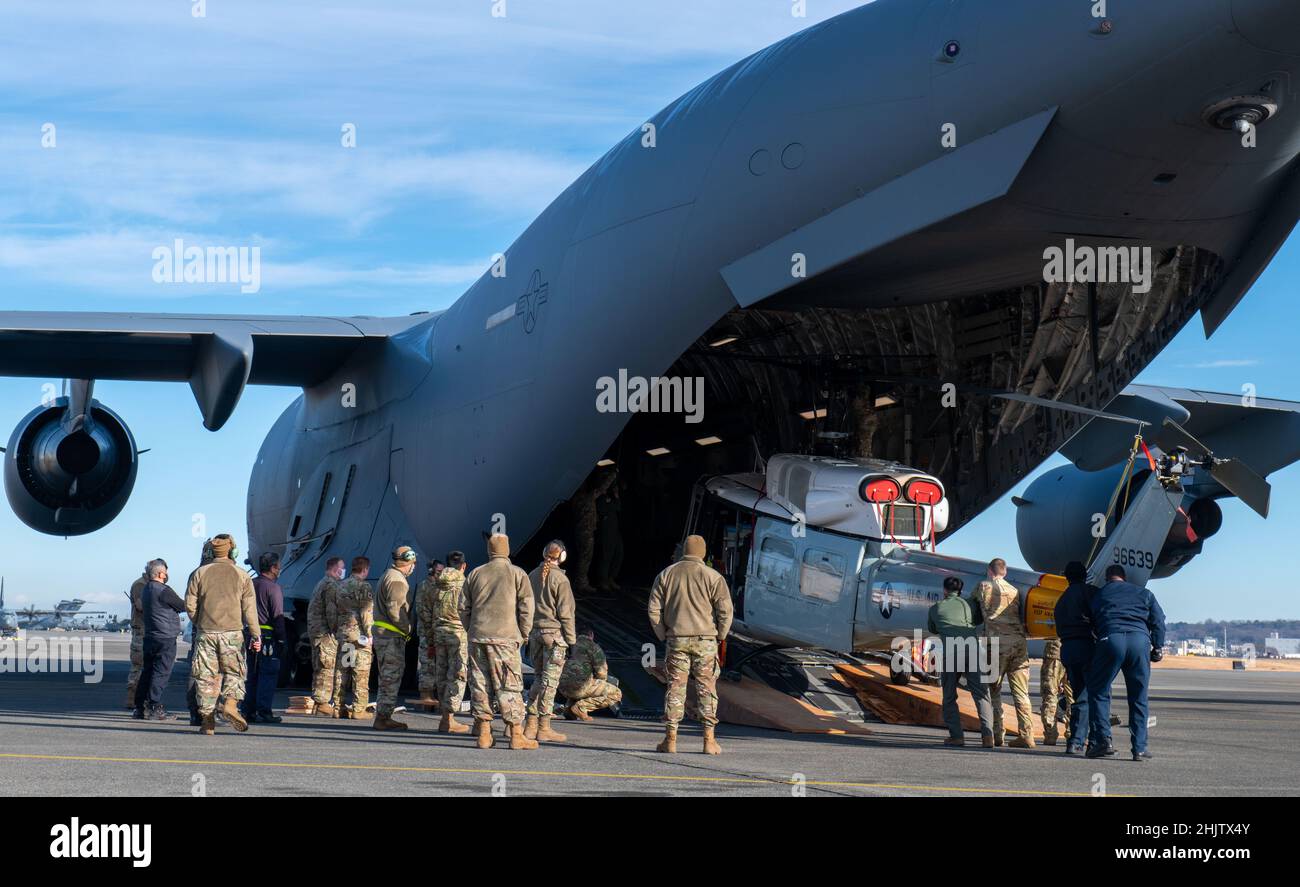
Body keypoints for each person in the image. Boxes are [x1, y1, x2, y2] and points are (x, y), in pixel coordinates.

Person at [647, 534, 733, 755]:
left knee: (675, 688)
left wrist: (663, 634)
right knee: (706, 688)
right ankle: (708, 740)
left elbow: (654, 610)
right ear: (703, 553)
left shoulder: (666, 574)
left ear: (683, 550)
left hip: (677, 640)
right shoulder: (713, 577)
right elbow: (725, 611)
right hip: (705, 641)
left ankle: (670, 739)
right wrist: (720, 635)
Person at [461, 533, 537, 750]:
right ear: (507, 549)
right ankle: (515, 735)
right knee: (509, 684)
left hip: (478, 637)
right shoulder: (517, 574)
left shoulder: (475, 573)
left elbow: (463, 607)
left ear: (489, 551)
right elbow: (527, 608)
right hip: (505, 638)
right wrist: (523, 634)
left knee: (480, 683)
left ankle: (484, 733)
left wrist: (472, 629)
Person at [1085, 564, 1166, 761]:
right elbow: (1159, 621)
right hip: (1139, 641)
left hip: (1111, 639)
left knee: (1099, 691)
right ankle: (1139, 748)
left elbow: (1092, 622)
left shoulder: (1099, 594)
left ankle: (1103, 740)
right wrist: (1158, 647)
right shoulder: (1144, 593)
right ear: (1125, 577)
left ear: (1107, 578)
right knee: (1139, 696)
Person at [184, 534, 260, 735]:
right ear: (232, 551)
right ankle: (231, 705)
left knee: (206, 677)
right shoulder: (242, 575)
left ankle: (207, 721)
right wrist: (255, 634)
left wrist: (200, 621)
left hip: (206, 632)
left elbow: (190, 604)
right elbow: (249, 609)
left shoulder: (199, 574)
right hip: (232, 633)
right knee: (235, 673)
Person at [926, 576, 994, 747]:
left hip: (952, 653)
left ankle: (957, 736)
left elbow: (932, 628)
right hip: (973, 650)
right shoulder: (968, 604)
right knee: (982, 695)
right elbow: (978, 620)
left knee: (949, 696)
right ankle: (988, 737)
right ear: (960, 590)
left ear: (944, 590)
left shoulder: (936, 609)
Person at [975, 557, 1035, 748]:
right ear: (1005, 572)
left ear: (989, 570)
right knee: (1021, 692)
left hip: (997, 644)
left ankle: (997, 734)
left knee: (993, 690)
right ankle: (1027, 735)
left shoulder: (984, 586)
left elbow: (972, 607)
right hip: (1018, 643)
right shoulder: (1014, 590)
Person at [524, 540, 576, 743]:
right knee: (550, 681)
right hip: (554, 635)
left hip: (535, 634)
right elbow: (566, 614)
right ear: (561, 557)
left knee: (538, 678)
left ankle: (530, 724)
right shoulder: (560, 580)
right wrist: (572, 641)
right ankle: (544, 727)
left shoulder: (532, 575)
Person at [1054, 561, 1097, 755]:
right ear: (1085, 575)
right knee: (1089, 696)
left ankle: (1078, 740)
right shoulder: (1091, 593)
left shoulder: (1061, 600)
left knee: (1079, 693)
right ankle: (1081, 740)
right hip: (1087, 647)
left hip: (1068, 650)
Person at [135, 559, 184, 720]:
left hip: (150, 636)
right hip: (165, 637)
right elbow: (181, 605)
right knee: (161, 672)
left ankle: (139, 708)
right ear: (161, 574)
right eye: (166, 572)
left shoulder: (146, 589)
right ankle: (155, 705)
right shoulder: (164, 590)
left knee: (147, 672)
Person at [373, 547, 416, 731]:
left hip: (385, 636)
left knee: (386, 676)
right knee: (391, 677)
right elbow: (395, 612)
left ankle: (383, 715)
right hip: (391, 637)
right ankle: (383, 717)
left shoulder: (388, 575)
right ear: (409, 562)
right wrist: (407, 629)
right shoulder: (397, 580)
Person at [243, 552, 286, 724]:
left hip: (250, 635)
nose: (280, 569)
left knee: (251, 675)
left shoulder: (250, 584)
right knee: (267, 675)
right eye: (278, 566)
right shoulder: (273, 588)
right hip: (268, 638)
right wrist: (282, 639)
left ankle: (248, 710)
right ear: (273, 568)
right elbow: (278, 615)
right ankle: (264, 711)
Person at [431, 551, 470, 734]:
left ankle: (444, 717)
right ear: (463, 566)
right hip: (457, 635)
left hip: (439, 633)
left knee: (442, 673)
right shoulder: (465, 584)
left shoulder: (437, 584)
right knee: (458, 674)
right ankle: (449, 718)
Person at [333, 556, 375, 721]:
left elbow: (334, 610)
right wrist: (370, 635)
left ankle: (338, 707)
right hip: (359, 638)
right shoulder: (364, 586)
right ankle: (359, 709)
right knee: (360, 673)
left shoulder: (340, 585)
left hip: (344, 636)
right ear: (365, 569)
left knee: (343, 671)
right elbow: (366, 613)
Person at [307, 558, 345, 717]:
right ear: (336, 569)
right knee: (326, 667)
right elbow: (331, 612)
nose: (344, 571)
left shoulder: (321, 583)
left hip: (316, 631)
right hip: (325, 634)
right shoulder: (331, 585)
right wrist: (338, 630)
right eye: (342, 568)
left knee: (320, 666)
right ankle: (322, 703)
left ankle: (318, 702)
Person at [559, 624, 622, 720]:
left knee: (577, 680)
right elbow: (602, 672)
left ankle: (569, 710)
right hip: (580, 687)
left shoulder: (569, 645)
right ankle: (581, 707)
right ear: (591, 635)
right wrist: (599, 681)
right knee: (616, 693)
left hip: (562, 687)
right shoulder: (593, 647)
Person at [184, 539, 216, 726]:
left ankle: (196, 712)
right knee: (211, 672)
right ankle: (206, 712)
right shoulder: (211, 573)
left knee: (197, 671)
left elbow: (190, 605)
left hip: (200, 628)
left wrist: (198, 623)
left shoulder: (195, 573)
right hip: (212, 629)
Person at [414, 560, 445, 709]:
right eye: (439, 571)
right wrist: (430, 629)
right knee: (427, 665)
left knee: (439, 665)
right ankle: (426, 698)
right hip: (428, 633)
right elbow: (421, 610)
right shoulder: (425, 586)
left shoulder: (440, 586)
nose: (441, 573)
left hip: (438, 631)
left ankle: (437, 699)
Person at [1039, 635, 1073, 746]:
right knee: (1074, 697)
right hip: (1075, 649)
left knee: (1049, 695)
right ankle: (1074, 734)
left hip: (1055, 651)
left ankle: (1050, 735)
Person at [125, 566, 149, 710]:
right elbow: (141, 606)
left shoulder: (148, 584)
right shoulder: (140, 584)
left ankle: (140, 698)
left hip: (147, 630)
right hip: (141, 630)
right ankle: (132, 698)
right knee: (138, 665)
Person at [593, 481, 624, 592]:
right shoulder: (599, 497)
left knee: (618, 553)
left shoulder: (610, 497)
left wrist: (616, 496)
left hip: (614, 530)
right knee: (606, 555)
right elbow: (602, 511)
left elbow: (618, 507)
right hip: (606, 530)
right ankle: (603, 580)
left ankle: (611, 578)